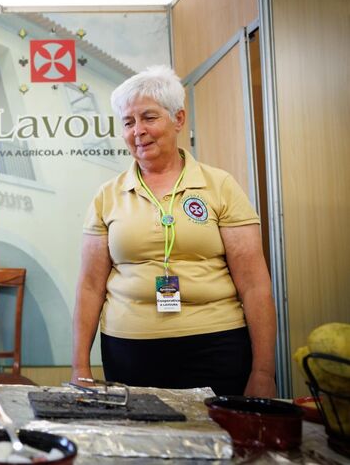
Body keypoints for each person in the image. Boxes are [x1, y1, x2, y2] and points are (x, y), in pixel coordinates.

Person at [71, 66, 276, 397]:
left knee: (222, 443)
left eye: (149, 117)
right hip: (129, 349)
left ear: (178, 119)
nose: (138, 131)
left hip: (217, 345)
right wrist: (80, 366)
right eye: (128, 122)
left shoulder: (220, 185)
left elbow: (254, 284)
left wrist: (264, 370)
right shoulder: (107, 196)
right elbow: (90, 286)